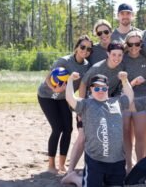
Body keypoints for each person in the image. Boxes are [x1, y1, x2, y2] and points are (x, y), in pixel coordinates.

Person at [61, 41, 125, 186]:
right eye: (113, 54)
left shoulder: (120, 67)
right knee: (83, 137)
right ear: (108, 54)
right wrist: (81, 110)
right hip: (90, 105)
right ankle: (70, 172)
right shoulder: (98, 67)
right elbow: (84, 83)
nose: (116, 57)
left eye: (119, 55)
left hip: (105, 104)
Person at [65, 72, 134, 187]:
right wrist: (70, 80)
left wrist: (124, 80)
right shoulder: (85, 104)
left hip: (117, 160)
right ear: (90, 89)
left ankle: (76, 177)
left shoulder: (117, 102)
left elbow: (129, 96)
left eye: (103, 88)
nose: (100, 90)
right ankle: (75, 178)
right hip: (95, 160)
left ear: (107, 88)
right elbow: (70, 98)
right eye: (96, 88)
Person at [37, 35, 92, 174]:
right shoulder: (64, 61)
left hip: (64, 98)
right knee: (57, 128)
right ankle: (51, 165)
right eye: (82, 47)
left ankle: (62, 165)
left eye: (88, 48)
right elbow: (48, 77)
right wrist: (54, 89)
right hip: (48, 95)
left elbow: (83, 86)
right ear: (76, 48)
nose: (85, 50)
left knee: (68, 129)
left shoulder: (87, 66)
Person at [122, 30, 146, 172]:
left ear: (141, 44)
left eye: (137, 44)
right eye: (130, 44)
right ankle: (128, 165)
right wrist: (132, 83)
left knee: (142, 134)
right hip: (125, 100)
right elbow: (117, 82)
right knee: (126, 133)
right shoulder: (121, 59)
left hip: (142, 99)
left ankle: (141, 166)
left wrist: (145, 80)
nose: (134, 47)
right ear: (126, 44)